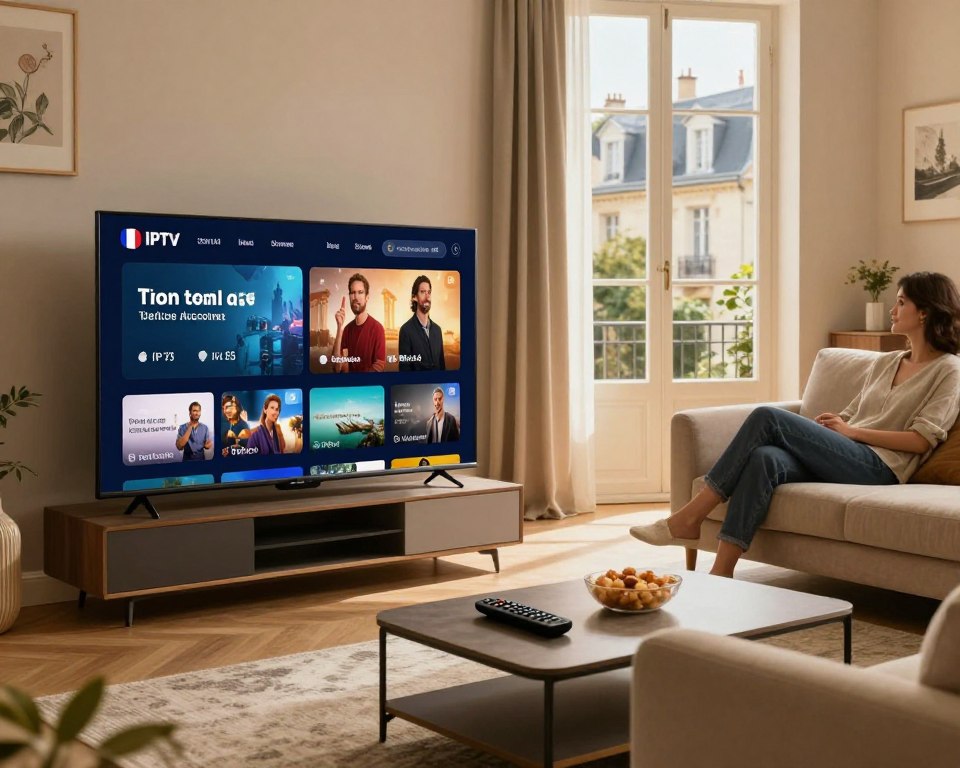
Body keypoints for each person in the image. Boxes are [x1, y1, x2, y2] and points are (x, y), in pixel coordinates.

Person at [631, 271, 960, 578]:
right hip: (849, 452)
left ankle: (689, 517)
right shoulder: (887, 362)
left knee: (767, 417)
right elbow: (856, 410)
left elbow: (921, 441)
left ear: (924, 313)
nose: (892, 309)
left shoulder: (948, 370)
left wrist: (852, 432)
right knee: (765, 459)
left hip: (881, 467)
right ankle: (722, 573)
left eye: (901, 302)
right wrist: (836, 424)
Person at [332, 273, 386, 373]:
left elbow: (379, 365)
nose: (356, 297)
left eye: (360, 292)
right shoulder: (347, 330)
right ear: (349, 296)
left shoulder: (377, 328)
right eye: (352, 293)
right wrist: (339, 327)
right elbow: (336, 367)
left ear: (367, 297)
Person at [398, 275, 445, 371]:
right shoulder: (406, 331)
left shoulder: (437, 330)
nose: (427, 296)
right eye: (423, 292)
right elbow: (404, 371)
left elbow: (442, 367)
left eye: (429, 292)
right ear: (414, 297)